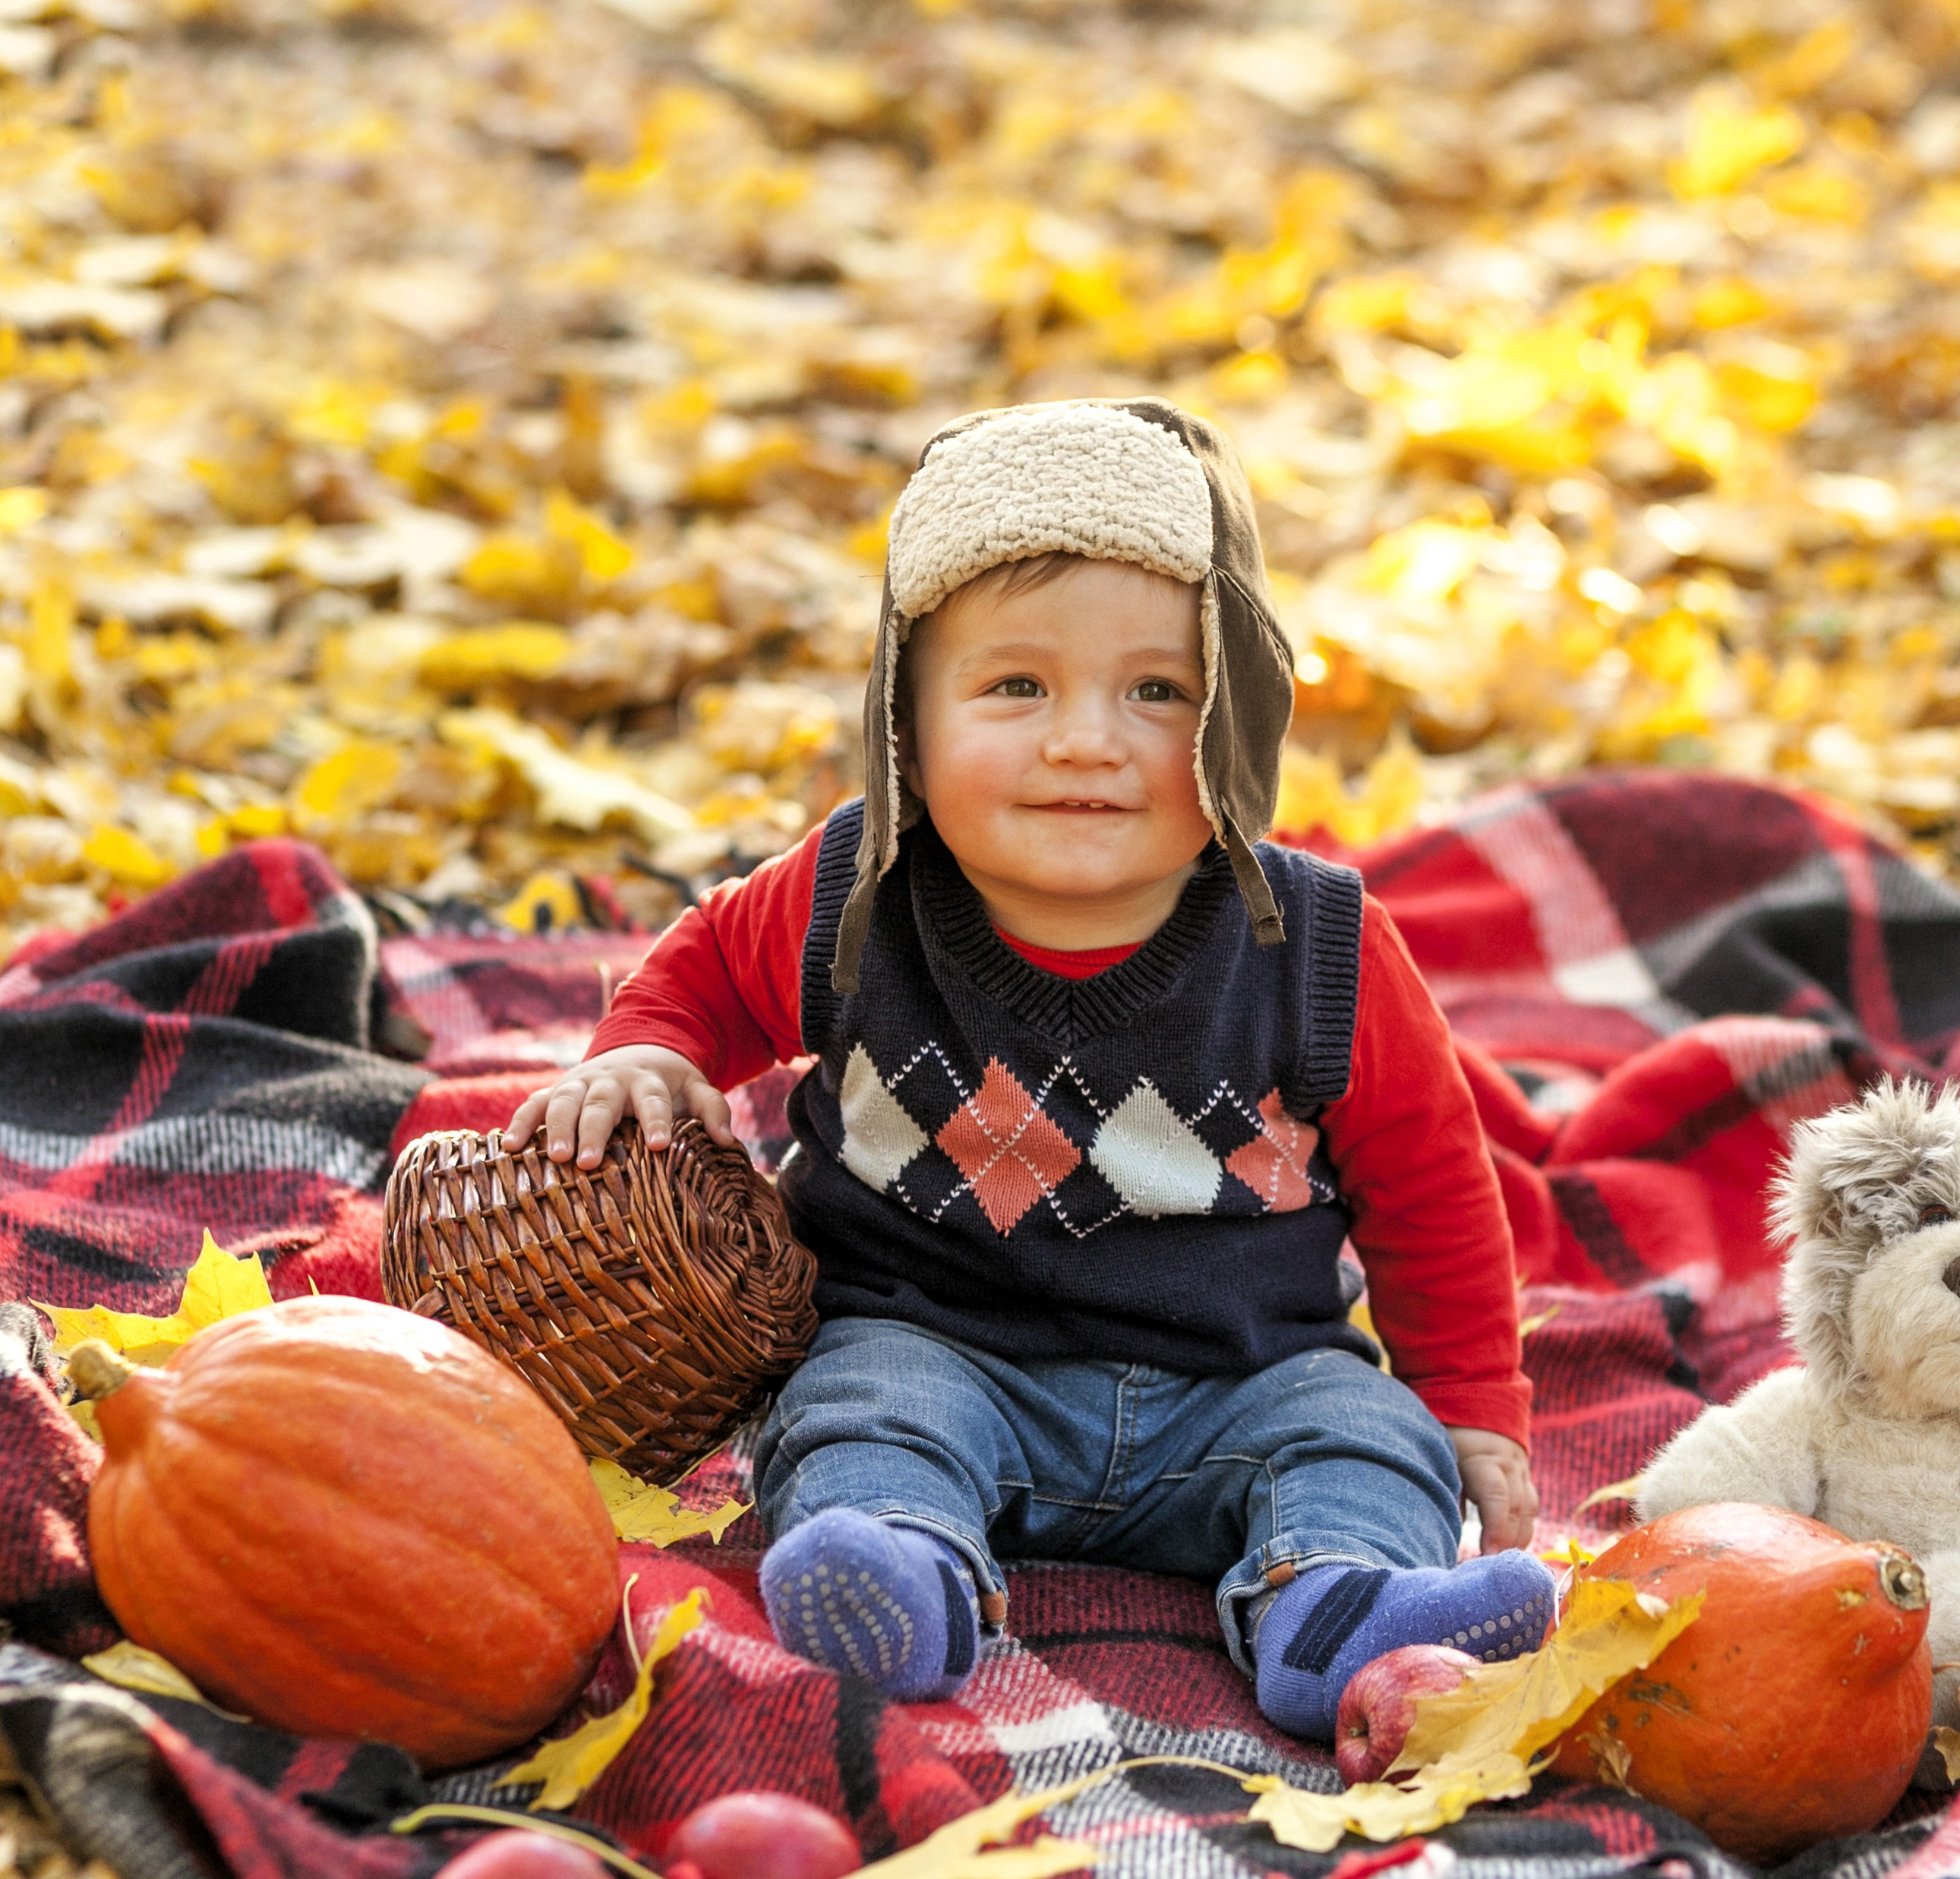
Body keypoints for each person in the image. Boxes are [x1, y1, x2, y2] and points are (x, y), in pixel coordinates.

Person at [509, 397, 1546, 1741]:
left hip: (1241, 1380)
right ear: (906, 720)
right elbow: (704, 967)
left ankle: (1335, 1603)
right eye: (1016, 686)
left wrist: (1470, 1410)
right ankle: (903, 1572)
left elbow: (1433, 1190)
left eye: (1157, 692)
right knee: (855, 1408)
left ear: (1239, 716)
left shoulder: (1315, 947)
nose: (1084, 740)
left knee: (1359, 1431)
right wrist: (644, 1052)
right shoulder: (856, 896)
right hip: (935, 1343)